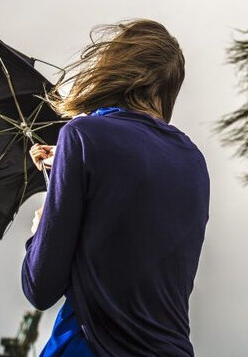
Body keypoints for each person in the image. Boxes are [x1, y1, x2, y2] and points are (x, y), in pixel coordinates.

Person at [21, 19, 210, 357]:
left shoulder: (82, 136)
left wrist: (39, 232)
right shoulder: (194, 161)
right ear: (168, 89)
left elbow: (40, 287)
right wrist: (66, 161)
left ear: (114, 68)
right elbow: (132, 231)